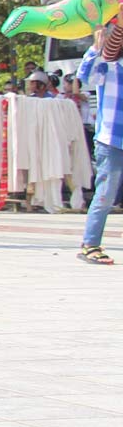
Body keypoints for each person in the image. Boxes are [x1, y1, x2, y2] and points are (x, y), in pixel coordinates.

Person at [74, 22, 123, 263]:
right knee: (106, 193)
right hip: (112, 140)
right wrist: (96, 47)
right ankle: (90, 243)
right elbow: (86, 75)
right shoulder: (110, 66)